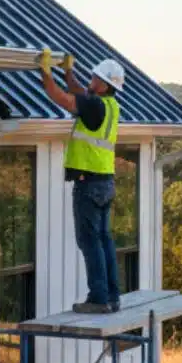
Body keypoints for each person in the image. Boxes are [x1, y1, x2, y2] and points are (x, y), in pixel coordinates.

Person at [38, 48, 126, 314]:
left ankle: (98, 298)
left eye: (96, 77)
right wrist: (67, 72)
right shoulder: (109, 105)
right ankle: (112, 296)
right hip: (105, 182)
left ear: (104, 85)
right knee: (104, 240)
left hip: (89, 184)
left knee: (89, 241)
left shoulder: (94, 105)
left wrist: (45, 71)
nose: (91, 79)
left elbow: (62, 98)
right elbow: (79, 92)